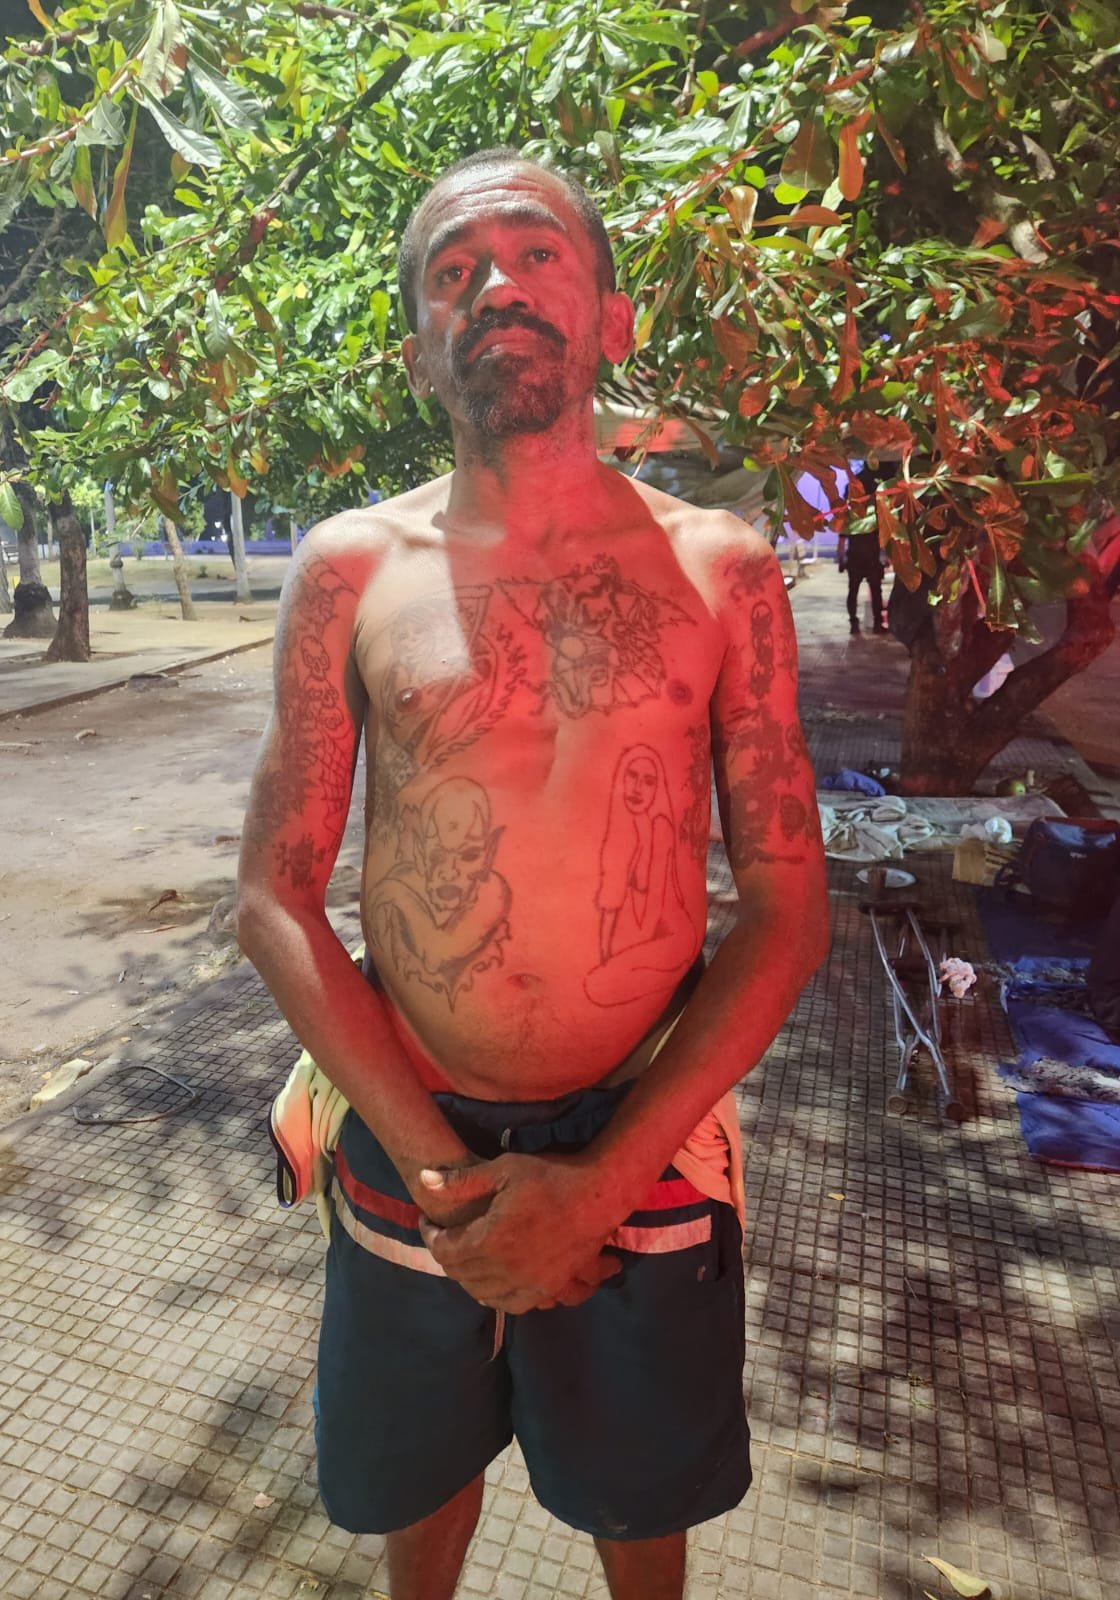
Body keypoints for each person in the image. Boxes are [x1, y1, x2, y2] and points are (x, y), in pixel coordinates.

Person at [236, 147, 830, 1600]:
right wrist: (443, 1173)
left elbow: (788, 907)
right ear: (419, 352)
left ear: (611, 319)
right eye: (455, 271)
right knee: (417, 1480)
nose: (496, 284)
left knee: (641, 1496)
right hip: (409, 1119)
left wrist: (602, 1179)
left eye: (536, 252)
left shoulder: (722, 570)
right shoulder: (350, 570)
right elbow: (275, 896)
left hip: (649, 1133)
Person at [837, 466, 887, 634]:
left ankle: (854, 623)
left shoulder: (851, 516)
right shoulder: (875, 515)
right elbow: (882, 536)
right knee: (875, 591)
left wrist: (841, 559)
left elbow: (842, 538)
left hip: (856, 557)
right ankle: (877, 623)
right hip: (871, 556)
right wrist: (885, 556)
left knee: (853, 591)